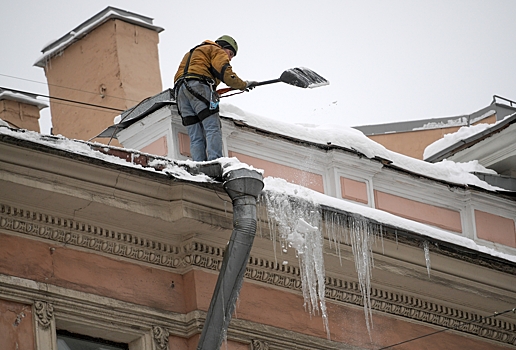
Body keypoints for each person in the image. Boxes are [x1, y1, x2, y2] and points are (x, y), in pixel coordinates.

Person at [173, 35, 257, 162]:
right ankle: (215, 162)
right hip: (199, 87)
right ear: (223, 47)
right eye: (230, 53)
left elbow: (194, 74)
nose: (229, 58)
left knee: (195, 135)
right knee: (212, 127)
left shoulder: (194, 52)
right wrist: (243, 84)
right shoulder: (216, 50)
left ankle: (199, 166)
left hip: (181, 93)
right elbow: (226, 74)